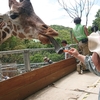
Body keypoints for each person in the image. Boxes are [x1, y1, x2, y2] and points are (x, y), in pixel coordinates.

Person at [67, 31, 100, 100]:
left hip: (80, 43)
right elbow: (90, 61)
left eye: (95, 52)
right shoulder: (97, 66)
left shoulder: (75, 29)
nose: (92, 56)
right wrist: (77, 55)